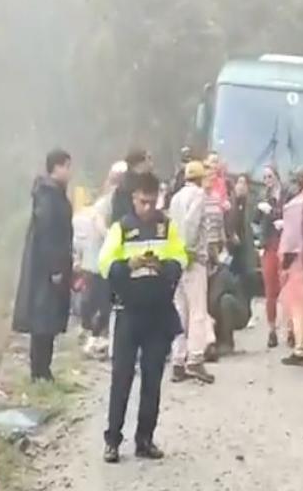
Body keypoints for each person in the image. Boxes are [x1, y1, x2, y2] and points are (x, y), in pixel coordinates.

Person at [98, 171, 188, 463]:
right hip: (129, 312)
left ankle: (145, 439)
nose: (147, 208)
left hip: (158, 314)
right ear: (133, 198)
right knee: (121, 377)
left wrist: (165, 266)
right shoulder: (121, 228)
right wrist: (129, 264)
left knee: (152, 379)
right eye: (142, 202)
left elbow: (180, 257)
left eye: (152, 202)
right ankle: (112, 439)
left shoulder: (167, 227)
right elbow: (105, 263)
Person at [12, 149, 74, 382]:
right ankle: (40, 370)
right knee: (43, 319)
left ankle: (42, 369)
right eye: (67, 166)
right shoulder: (49, 196)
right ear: (56, 167)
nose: (69, 172)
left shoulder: (53, 194)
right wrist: (56, 267)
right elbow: (49, 234)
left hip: (49, 266)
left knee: (46, 319)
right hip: (47, 269)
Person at [168, 161, 215, 384]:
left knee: (180, 312)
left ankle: (178, 360)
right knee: (198, 312)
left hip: (176, 259)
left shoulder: (176, 197)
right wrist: (189, 252)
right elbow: (192, 224)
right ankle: (195, 358)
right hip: (193, 260)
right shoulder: (199, 196)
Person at [76, 162, 125, 359]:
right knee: (100, 302)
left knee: (102, 302)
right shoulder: (106, 203)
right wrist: (115, 241)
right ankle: (93, 334)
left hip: (99, 261)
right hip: (98, 262)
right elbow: (100, 227)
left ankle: (95, 335)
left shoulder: (113, 202)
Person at [279, 171, 303, 366]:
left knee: (297, 307)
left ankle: (301, 348)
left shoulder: (295, 205)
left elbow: (291, 241)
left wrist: (285, 265)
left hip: (298, 263)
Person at [256, 165, 287, 348]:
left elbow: (290, 216)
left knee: (287, 288)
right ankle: (272, 330)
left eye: (270, 176)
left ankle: (292, 329)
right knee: (270, 290)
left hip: (285, 245)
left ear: (276, 177)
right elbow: (254, 222)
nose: (267, 180)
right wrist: (260, 211)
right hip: (269, 246)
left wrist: (276, 215)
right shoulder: (262, 197)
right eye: (265, 177)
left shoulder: (286, 196)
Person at [208, 249, 251, 356]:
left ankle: (227, 343)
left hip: (239, 312)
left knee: (225, 301)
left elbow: (213, 302)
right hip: (216, 313)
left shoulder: (222, 274)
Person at [111, 148, 152, 225]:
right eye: (148, 159)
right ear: (139, 163)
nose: (151, 163)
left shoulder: (147, 181)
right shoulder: (126, 186)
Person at [226, 175, 250, 278]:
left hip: (244, 246)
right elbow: (227, 221)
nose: (241, 186)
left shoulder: (248, 204)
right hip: (230, 245)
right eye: (239, 182)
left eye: (244, 183)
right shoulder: (230, 202)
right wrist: (232, 234)